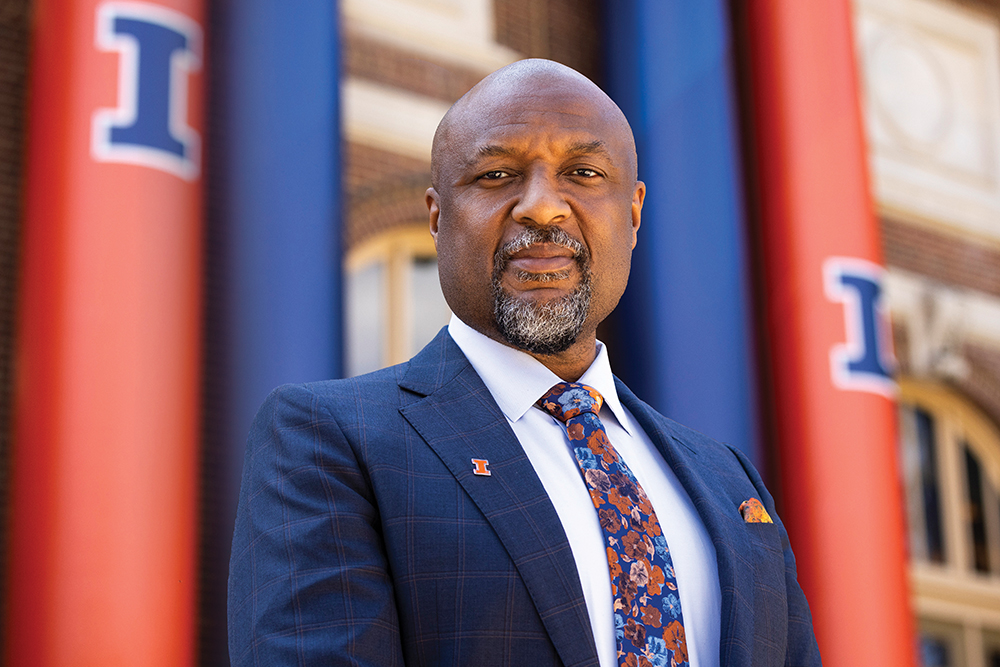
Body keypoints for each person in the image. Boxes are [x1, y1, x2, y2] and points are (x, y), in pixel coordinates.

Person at [228, 59, 821, 667]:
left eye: (584, 173)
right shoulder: (329, 440)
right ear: (437, 217)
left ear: (635, 212)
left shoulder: (730, 482)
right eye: (497, 175)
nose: (542, 208)